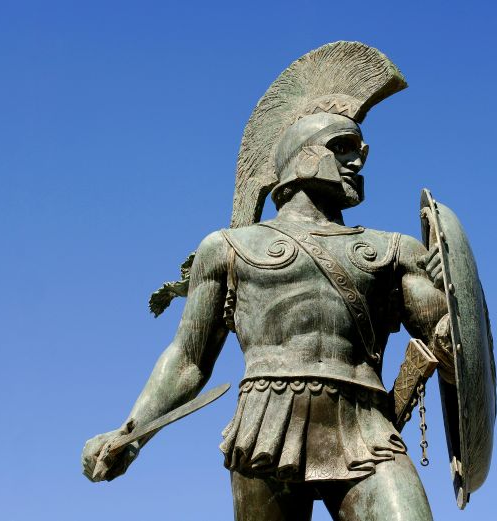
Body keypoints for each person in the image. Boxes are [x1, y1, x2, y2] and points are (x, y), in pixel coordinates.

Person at [82, 42, 456, 520]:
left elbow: (446, 342)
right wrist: (132, 433)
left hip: (367, 425)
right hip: (265, 426)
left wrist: (451, 301)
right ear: (302, 156)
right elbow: (189, 359)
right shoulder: (227, 248)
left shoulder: (395, 249)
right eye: (342, 147)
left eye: (361, 151)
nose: (358, 161)